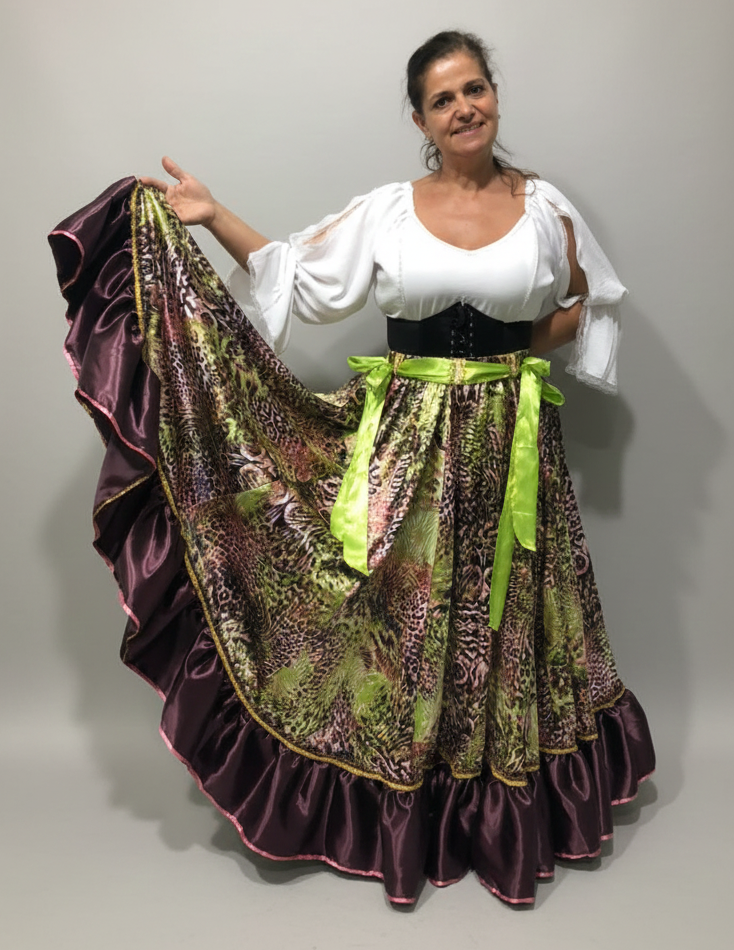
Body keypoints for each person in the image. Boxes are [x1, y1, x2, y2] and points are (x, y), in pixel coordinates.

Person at [50, 30, 655, 906]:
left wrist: (508, 353)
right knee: (403, 625)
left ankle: (496, 809)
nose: (463, 109)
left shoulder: (545, 208)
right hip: (405, 447)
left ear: (493, 95)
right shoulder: (389, 211)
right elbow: (297, 278)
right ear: (420, 120)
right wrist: (213, 215)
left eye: (474, 89)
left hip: (508, 446)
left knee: (501, 622)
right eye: (442, 99)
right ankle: (408, 802)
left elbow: (586, 298)